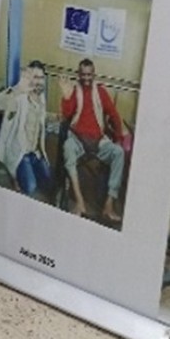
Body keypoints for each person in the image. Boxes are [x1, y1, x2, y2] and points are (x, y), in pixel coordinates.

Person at [58, 58, 127, 221]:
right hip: (78, 140)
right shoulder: (74, 91)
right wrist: (66, 98)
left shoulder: (101, 92)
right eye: (83, 75)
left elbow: (114, 115)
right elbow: (66, 115)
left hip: (98, 140)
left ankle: (109, 204)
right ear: (79, 74)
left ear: (94, 74)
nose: (86, 78)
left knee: (119, 153)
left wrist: (117, 138)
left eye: (89, 74)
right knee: (67, 148)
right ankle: (80, 202)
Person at [0, 60, 52, 198]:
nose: (38, 81)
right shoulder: (20, 97)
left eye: (41, 77)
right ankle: (14, 175)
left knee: (48, 181)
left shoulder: (41, 97)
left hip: (35, 152)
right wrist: (17, 90)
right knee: (30, 187)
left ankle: (26, 171)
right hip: (20, 152)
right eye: (34, 77)